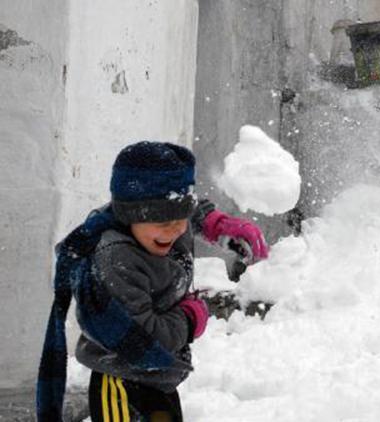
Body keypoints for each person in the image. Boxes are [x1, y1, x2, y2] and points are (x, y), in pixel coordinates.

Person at [36, 141, 269, 422]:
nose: (175, 231)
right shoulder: (117, 261)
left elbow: (185, 212)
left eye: (180, 219)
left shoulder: (161, 223)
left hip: (158, 377)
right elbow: (144, 337)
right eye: (163, 222)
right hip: (123, 383)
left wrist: (217, 224)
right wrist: (189, 319)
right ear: (131, 215)